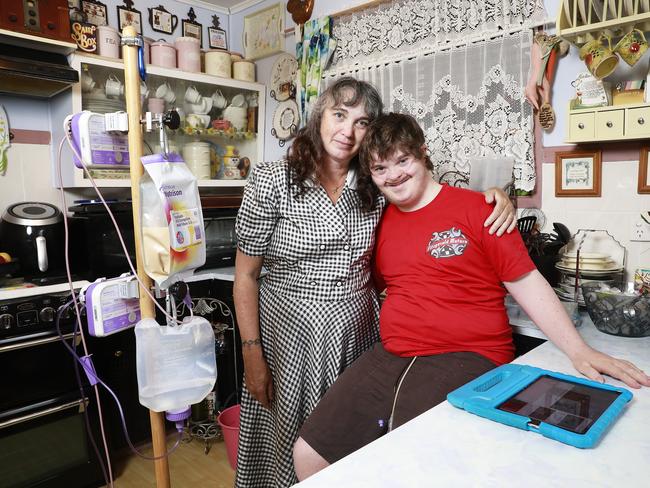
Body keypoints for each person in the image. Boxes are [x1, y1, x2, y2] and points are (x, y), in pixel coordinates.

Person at [292, 113, 650, 481]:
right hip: (394, 352)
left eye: (403, 161)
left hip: (468, 353)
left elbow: (526, 281)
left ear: (423, 154)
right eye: (381, 168)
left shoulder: (480, 209)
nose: (394, 175)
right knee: (309, 453)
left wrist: (580, 351)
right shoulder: (380, 219)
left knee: (406, 459)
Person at [233, 79, 516, 487]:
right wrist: (252, 354)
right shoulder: (272, 181)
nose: (347, 130)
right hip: (287, 342)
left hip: (357, 337)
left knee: (354, 451)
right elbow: (245, 275)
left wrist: (494, 196)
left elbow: (428, 200)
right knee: (290, 449)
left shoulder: (376, 185)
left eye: (361, 121)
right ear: (319, 116)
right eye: (339, 114)